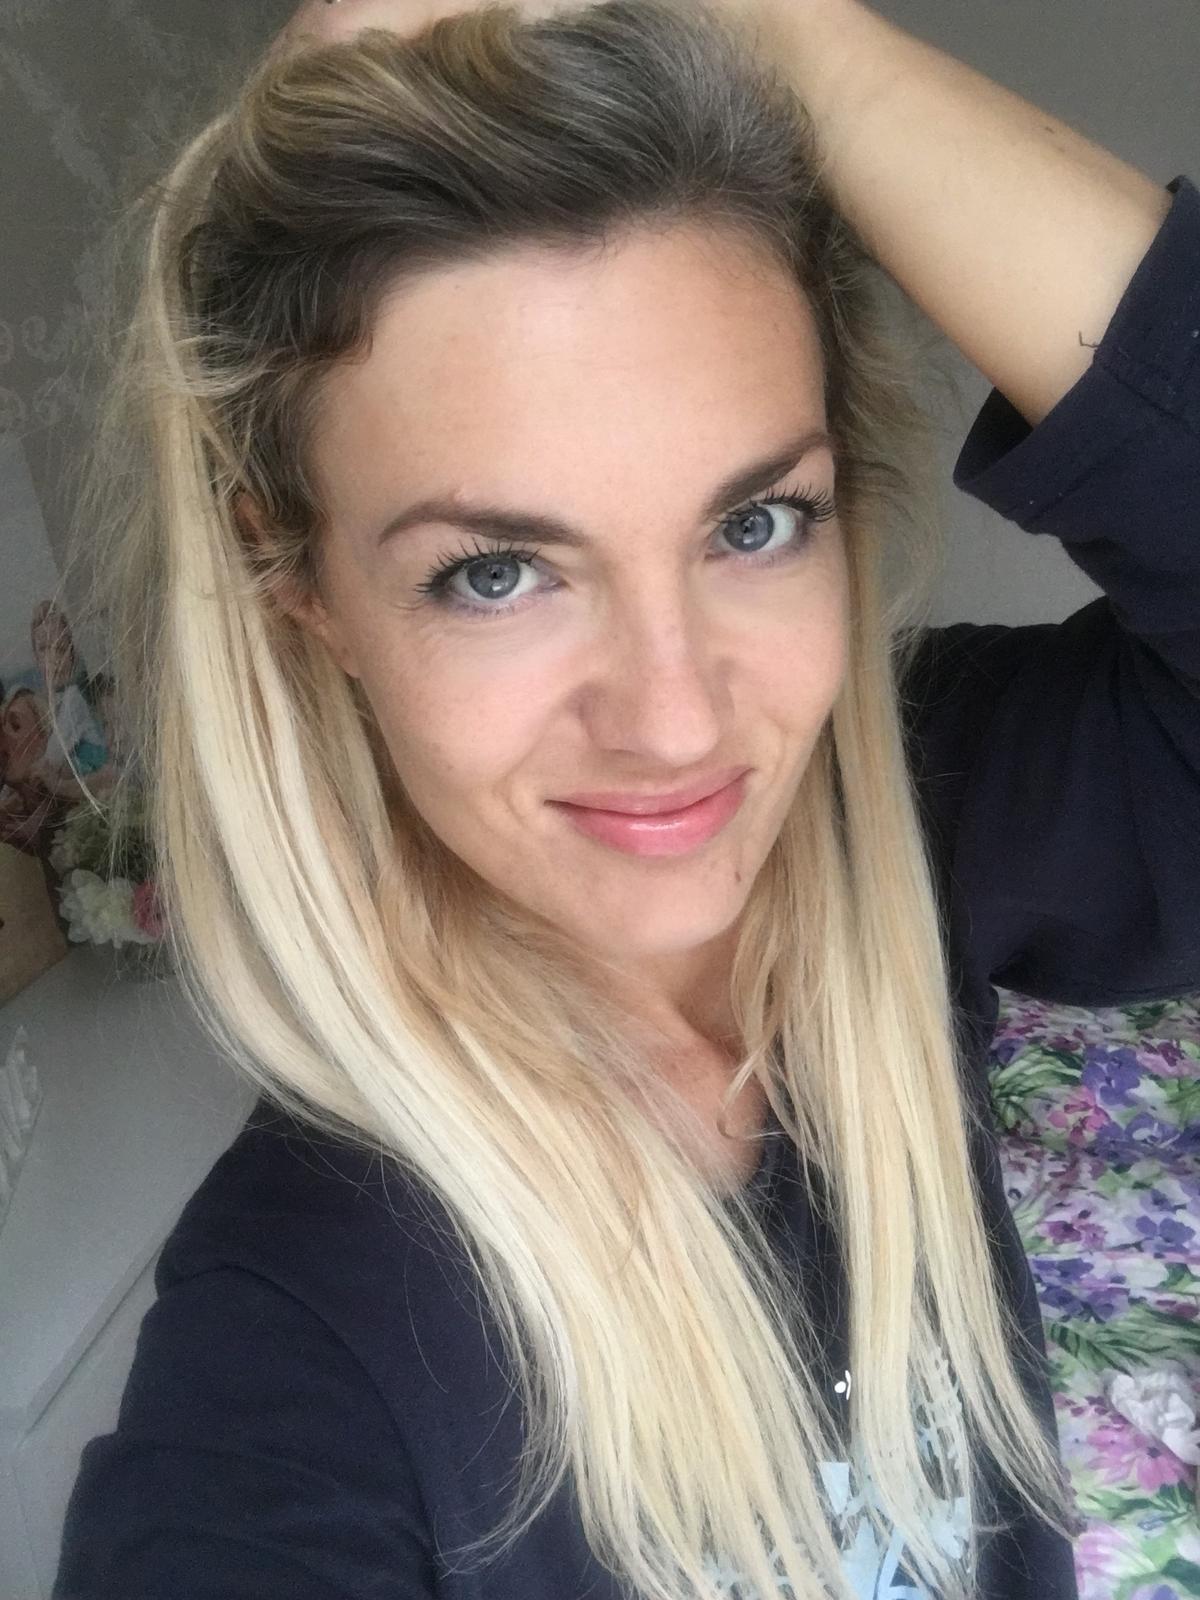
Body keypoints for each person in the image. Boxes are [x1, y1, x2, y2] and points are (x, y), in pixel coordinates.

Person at [51, 0, 1199, 1596]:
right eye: (496, 572)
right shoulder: (299, 1347)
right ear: (297, 582)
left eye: (754, 525)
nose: (675, 722)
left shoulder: (895, 825)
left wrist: (784, 29)